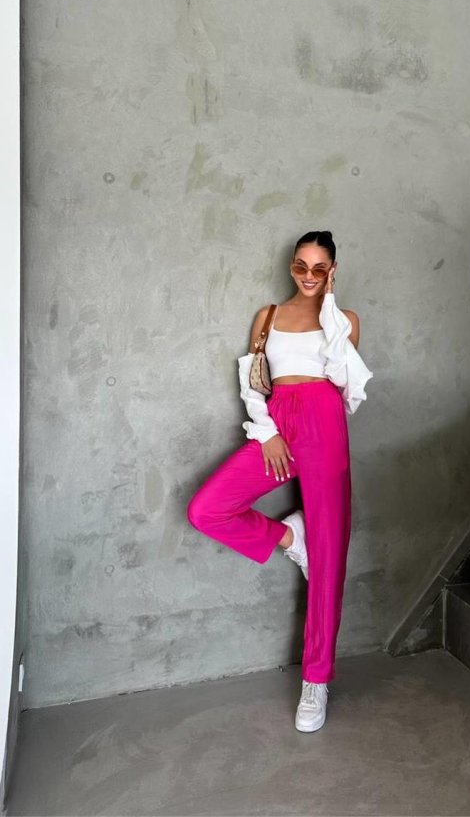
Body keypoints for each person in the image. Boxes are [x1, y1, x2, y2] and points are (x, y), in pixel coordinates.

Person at [186, 229, 373, 732]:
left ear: (332, 270)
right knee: (207, 509)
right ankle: (292, 537)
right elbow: (254, 381)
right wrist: (267, 432)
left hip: (324, 421)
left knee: (330, 557)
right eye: (300, 266)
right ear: (291, 266)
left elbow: (343, 380)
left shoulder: (344, 320)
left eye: (319, 268)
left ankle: (316, 681)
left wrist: (329, 305)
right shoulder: (267, 316)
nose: (308, 276)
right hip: (279, 423)